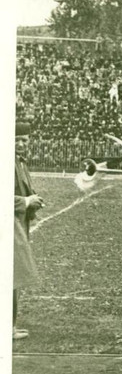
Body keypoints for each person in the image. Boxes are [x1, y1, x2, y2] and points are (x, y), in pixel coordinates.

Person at [13, 122, 43, 340]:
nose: (21, 144)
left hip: (17, 223)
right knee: (10, 275)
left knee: (13, 275)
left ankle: (10, 325)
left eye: (24, 140)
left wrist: (33, 200)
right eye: (17, 140)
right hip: (8, 226)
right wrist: (26, 200)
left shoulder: (20, 162)